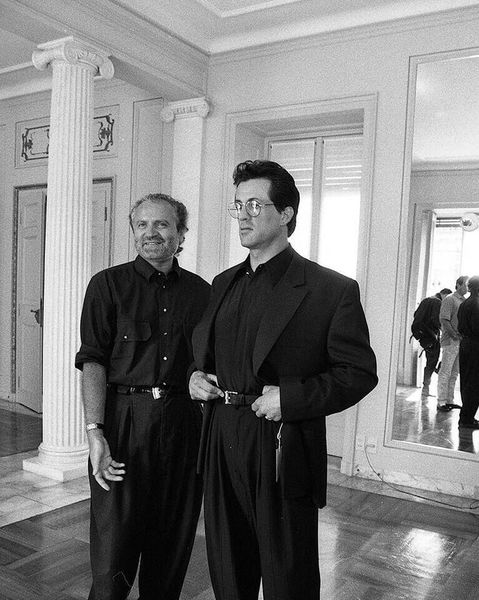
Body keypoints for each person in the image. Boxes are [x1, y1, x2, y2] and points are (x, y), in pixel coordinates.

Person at [189, 160, 378, 600]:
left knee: (287, 575)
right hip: (221, 437)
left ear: (287, 213)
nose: (243, 215)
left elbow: (358, 373)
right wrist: (195, 377)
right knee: (228, 569)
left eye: (255, 205)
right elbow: (206, 356)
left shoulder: (330, 289)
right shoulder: (222, 283)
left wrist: (290, 399)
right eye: (238, 205)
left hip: (282, 442)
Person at [75, 193, 210, 600]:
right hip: (123, 423)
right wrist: (95, 432)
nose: (151, 232)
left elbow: (207, 361)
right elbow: (93, 361)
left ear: (181, 233)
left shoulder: (202, 293)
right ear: (133, 231)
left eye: (162, 224)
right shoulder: (107, 285)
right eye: (142, 224)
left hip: (183, 424)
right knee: (111, 560)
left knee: (170, 553)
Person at [411, 288, 452, 398]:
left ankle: (427, 386)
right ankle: (426, 388)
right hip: (431, 336)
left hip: (423, 336)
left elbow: (416, 314)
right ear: (444, 294)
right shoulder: (437, 302)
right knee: (432, 362)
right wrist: (444, 330)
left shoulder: (426, 300)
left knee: (431, 361)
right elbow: (436, 319)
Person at [437, 275, 469, 412]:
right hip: (451, 341)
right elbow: (444, 319)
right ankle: (441, 401)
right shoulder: (450, 299)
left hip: (460, 341)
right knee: (445, 371)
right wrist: (454, 335)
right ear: (459, 284)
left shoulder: (464, 301)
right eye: (466, 284)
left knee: (455, 372)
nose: (467, 288)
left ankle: (449, 400)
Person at [457, 275, 479, 429]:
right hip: (475, 346)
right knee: (474, 382)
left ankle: (466, 416)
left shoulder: (465, 303)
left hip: (465, 344)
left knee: (466, 381)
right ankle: (467, 418)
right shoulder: (476, 304)